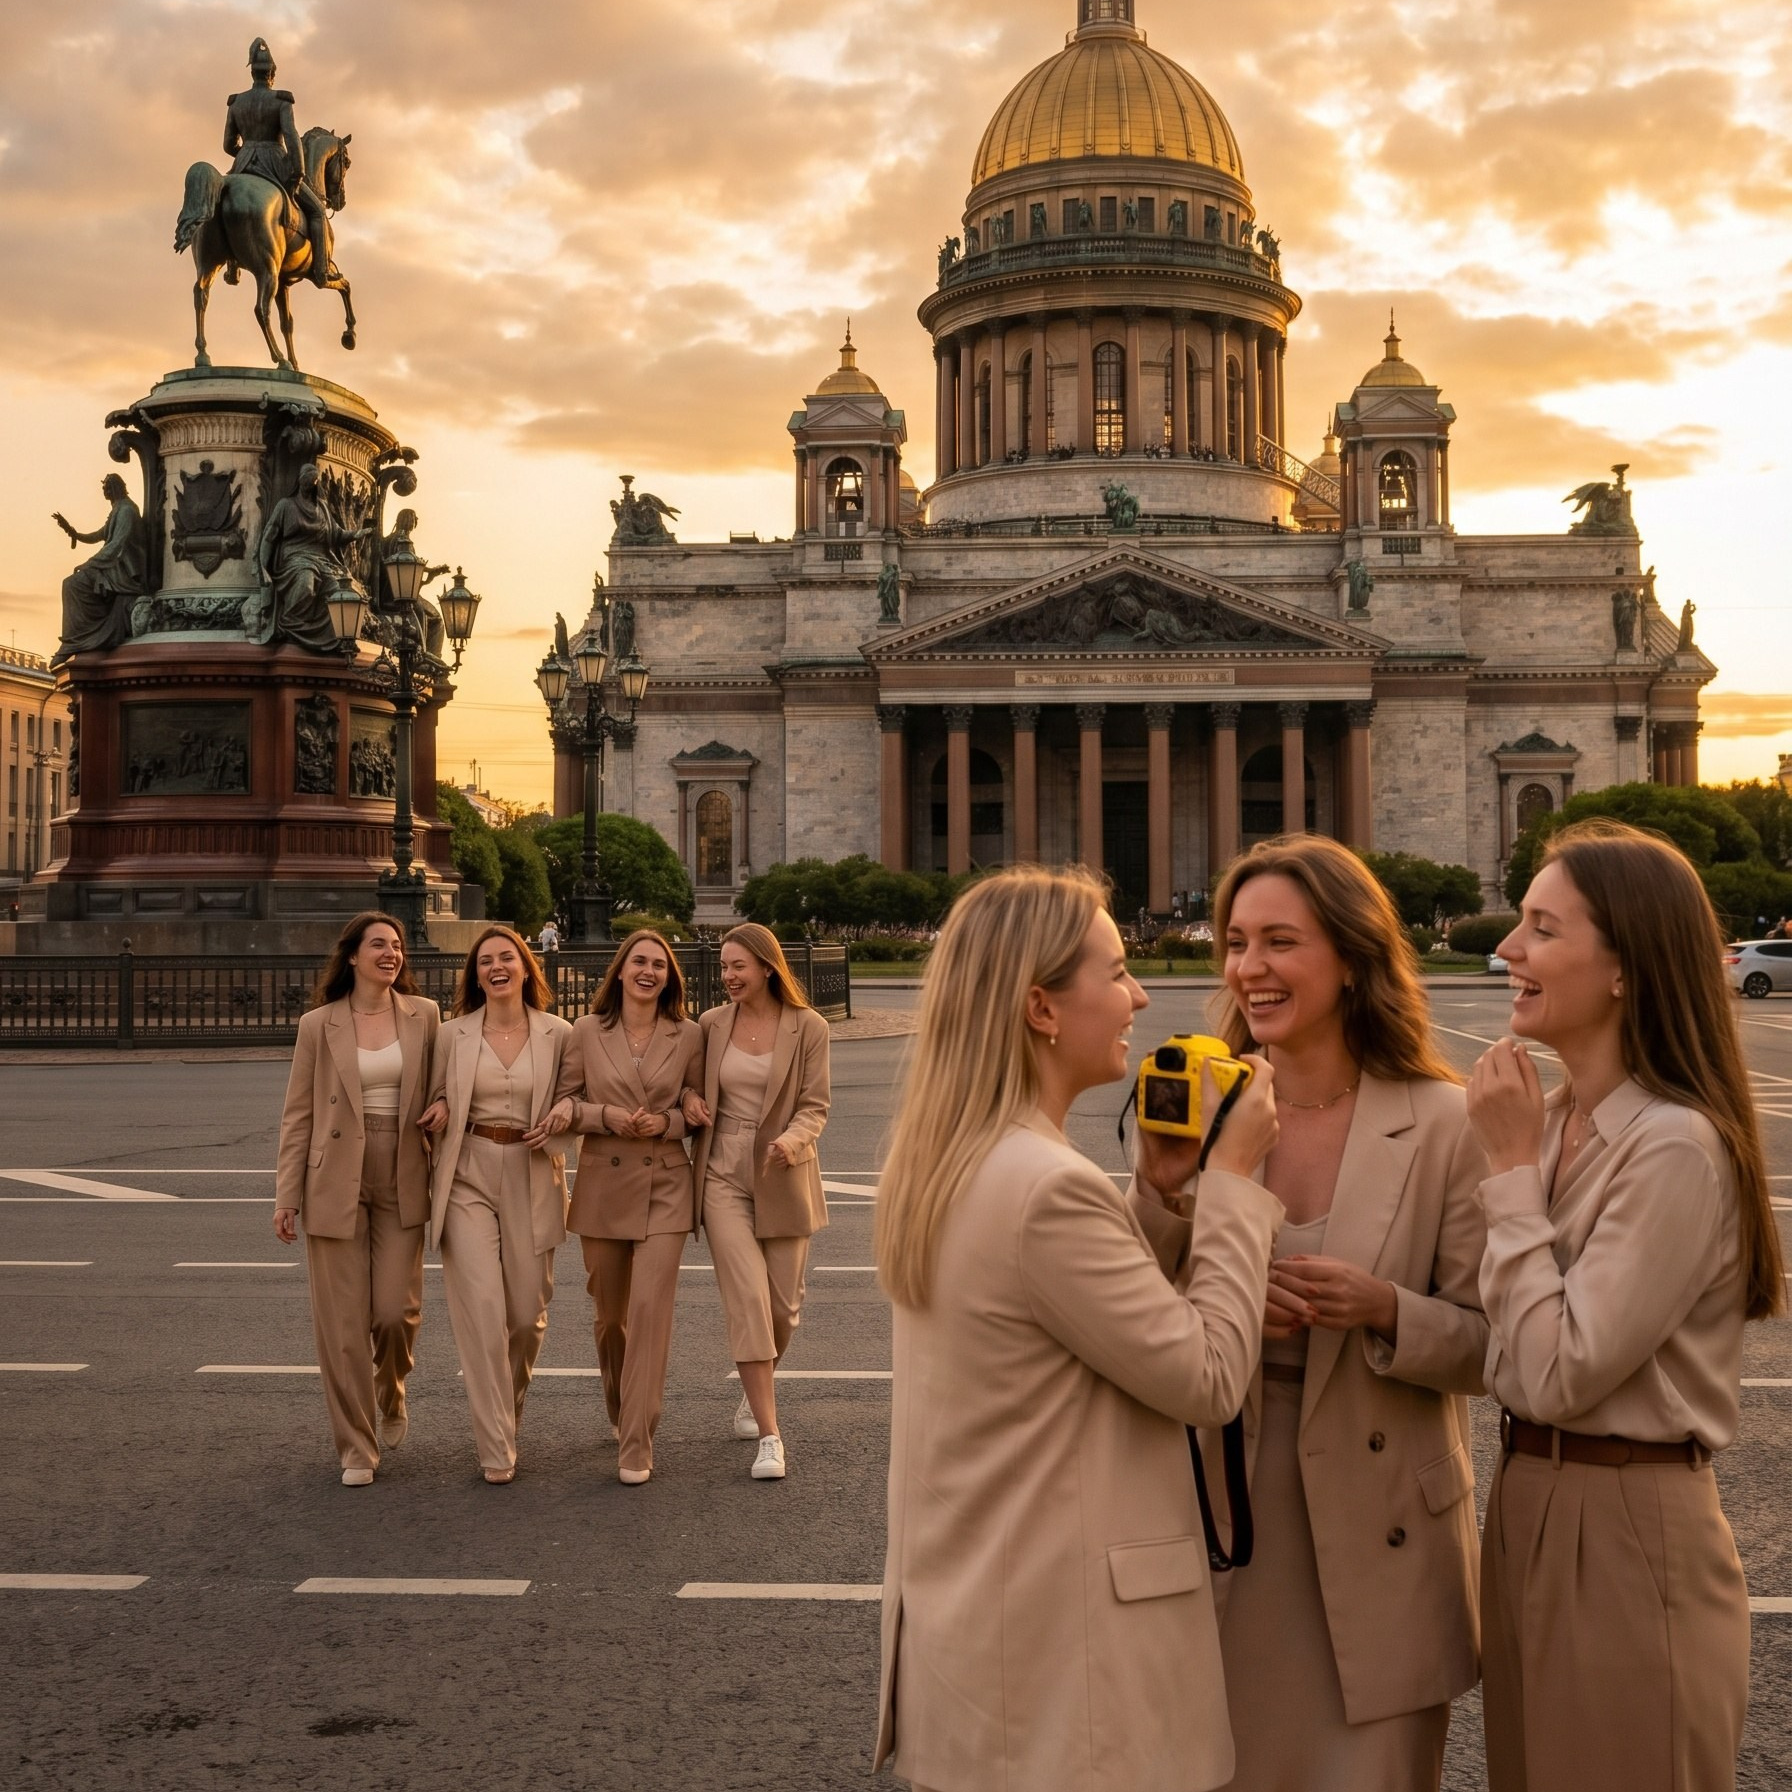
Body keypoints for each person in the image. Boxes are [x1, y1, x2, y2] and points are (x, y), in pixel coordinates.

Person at [873, 865, 1284, 1792]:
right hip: (1069, 1681)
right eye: (1114, 971)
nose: (1141, 993)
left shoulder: (964, 1156)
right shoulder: (1047, 1187)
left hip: (990, 1641)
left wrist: (1160, 1196)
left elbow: (1061, 1331)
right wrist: (1234, 1183)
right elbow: (1209, 1376)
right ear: (1041, 1009)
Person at [1466, 820, 1782, 1791]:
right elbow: (1510, 1349)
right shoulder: (1559, 1122)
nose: (1508, 949)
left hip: (1628, 1516)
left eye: (1541, 928)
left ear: (1623, 968)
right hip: (1528, 1500)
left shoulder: (1672, 1145)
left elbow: (1559, 1368)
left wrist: (1510, 1172)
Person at [1202, 836, 1489, 1791]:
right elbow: (1139, 1315)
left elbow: (1496, 1344)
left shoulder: (1443, 1120)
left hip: (1385, 1525)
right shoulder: (1202, 1102)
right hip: (1230, 1511)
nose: (1251, 969)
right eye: (1237, 942)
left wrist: (1386, 1310)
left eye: (1280, 941)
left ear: (1354, 958)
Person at [273, 912, 439, 1486]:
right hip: (333, 1177)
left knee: (395, 1313)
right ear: (352, 957)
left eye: (397, 946)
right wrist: (286, 1195)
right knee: (343, 1324)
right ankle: (356, 1447)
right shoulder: (319, 1025)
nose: (392, 954)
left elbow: (442, 1087)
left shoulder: (426, 1017)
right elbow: (298, 1115)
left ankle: (391, 1390)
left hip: (404, 1169)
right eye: (379, 945)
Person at [540, 930, 702, 1484]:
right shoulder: (586, 1031)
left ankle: (637, 1438)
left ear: (669, 976)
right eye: (639, 961)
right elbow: (566, 1101)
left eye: (659, 964)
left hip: (665, 1183)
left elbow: (699, 1110)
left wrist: (669, 1121)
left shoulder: (689, 1034)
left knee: (651, 1315)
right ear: (621, 969)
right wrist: (604, 1117)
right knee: (611, 1318)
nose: (649, 971)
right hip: (604, 1185)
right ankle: (618, 1402)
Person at [420, 925, 578, 1484]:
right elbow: (435, 1089)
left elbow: (577, 1093)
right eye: (485, 961)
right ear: (475, 974)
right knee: (482, 1310)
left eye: (506, 957)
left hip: (534, 1173)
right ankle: (495, 1444)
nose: (496, 967)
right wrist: (439, 1104)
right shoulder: (451, 1034)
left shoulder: (559, 1033)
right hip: (466, 1171)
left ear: (526, 966)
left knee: (524, 1318)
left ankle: (505, 1410)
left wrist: (565, 1113)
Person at [684, 923, 830, 1482]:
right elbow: (688, 1084)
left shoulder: (808, 1027)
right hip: (721, 1168)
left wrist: (792, 1142)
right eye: (723, 968)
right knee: (746, 1299)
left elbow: (815, 1104)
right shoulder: (711, 1024)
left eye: (738, 967)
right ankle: (770, 1433)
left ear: (768, 967)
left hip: (782, 1168)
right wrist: (691, 1098)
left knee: (782, 1309)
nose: (728, 977)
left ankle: (753, 1389)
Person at [51, 474, 147, 664]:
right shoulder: (119, 508)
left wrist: (90, 563)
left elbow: (117, 544)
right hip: (114, 566)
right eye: (104, 490)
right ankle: (80, 639)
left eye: (107, 489)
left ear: (115, 489)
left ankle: (76, 641)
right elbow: (100, 535)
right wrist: (74, 532)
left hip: (124, 571)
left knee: (72, 585)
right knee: (71, 583)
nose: (105, 493)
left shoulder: (127, 509)